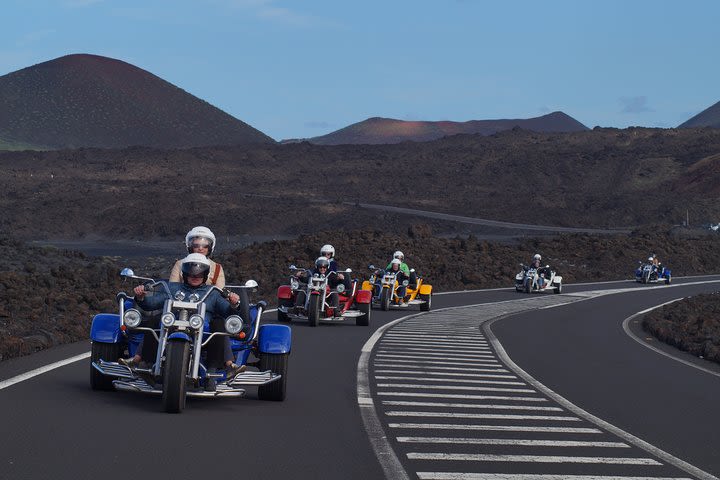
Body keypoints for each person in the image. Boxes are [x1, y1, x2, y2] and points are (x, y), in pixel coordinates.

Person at [121, 254, 245, 390]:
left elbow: (227, 311)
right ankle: (145, 363)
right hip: (171, 327)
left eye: (199, 273)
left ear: (205, 274)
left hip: (203, 330)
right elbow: (151, 304)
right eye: (191, 272)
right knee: (156, 320)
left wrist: (233, 303)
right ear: (184, 273)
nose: (195, 275)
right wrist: (141, 297)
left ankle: (212, 371)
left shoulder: (213, 292)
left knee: (219, 325)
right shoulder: (172, 288)